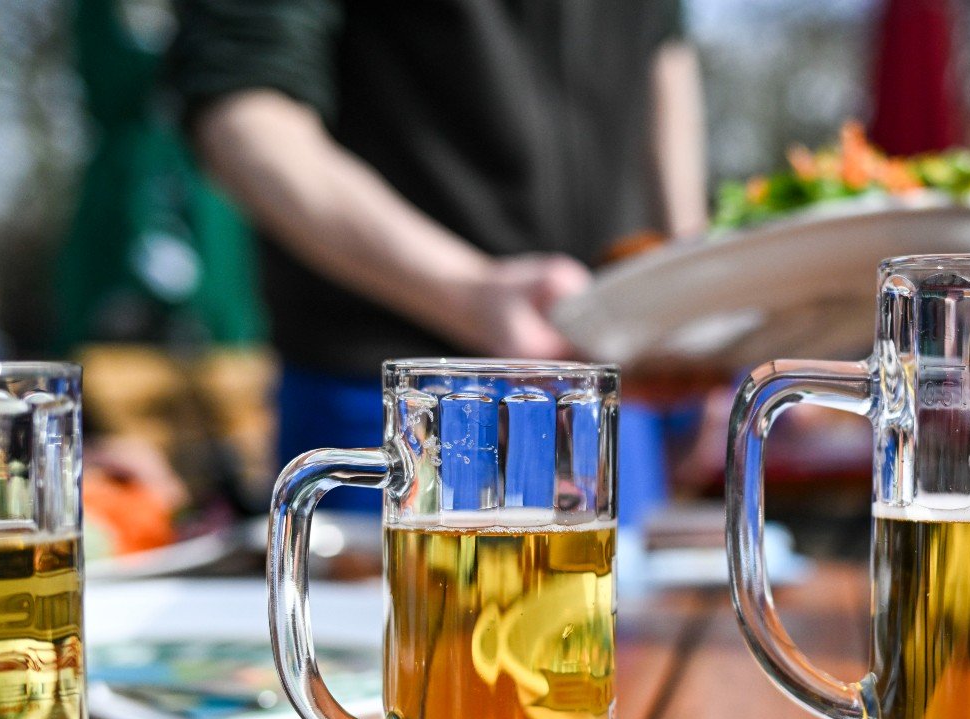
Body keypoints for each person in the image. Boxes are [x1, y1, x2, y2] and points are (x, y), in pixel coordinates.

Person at [171, 0, 707, 510]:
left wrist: (700, 295)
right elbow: (241, 102)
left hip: (602, 396)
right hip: (391, 397)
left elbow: (663, 50)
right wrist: (470, 293)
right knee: (387, 607)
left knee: (608, 606)